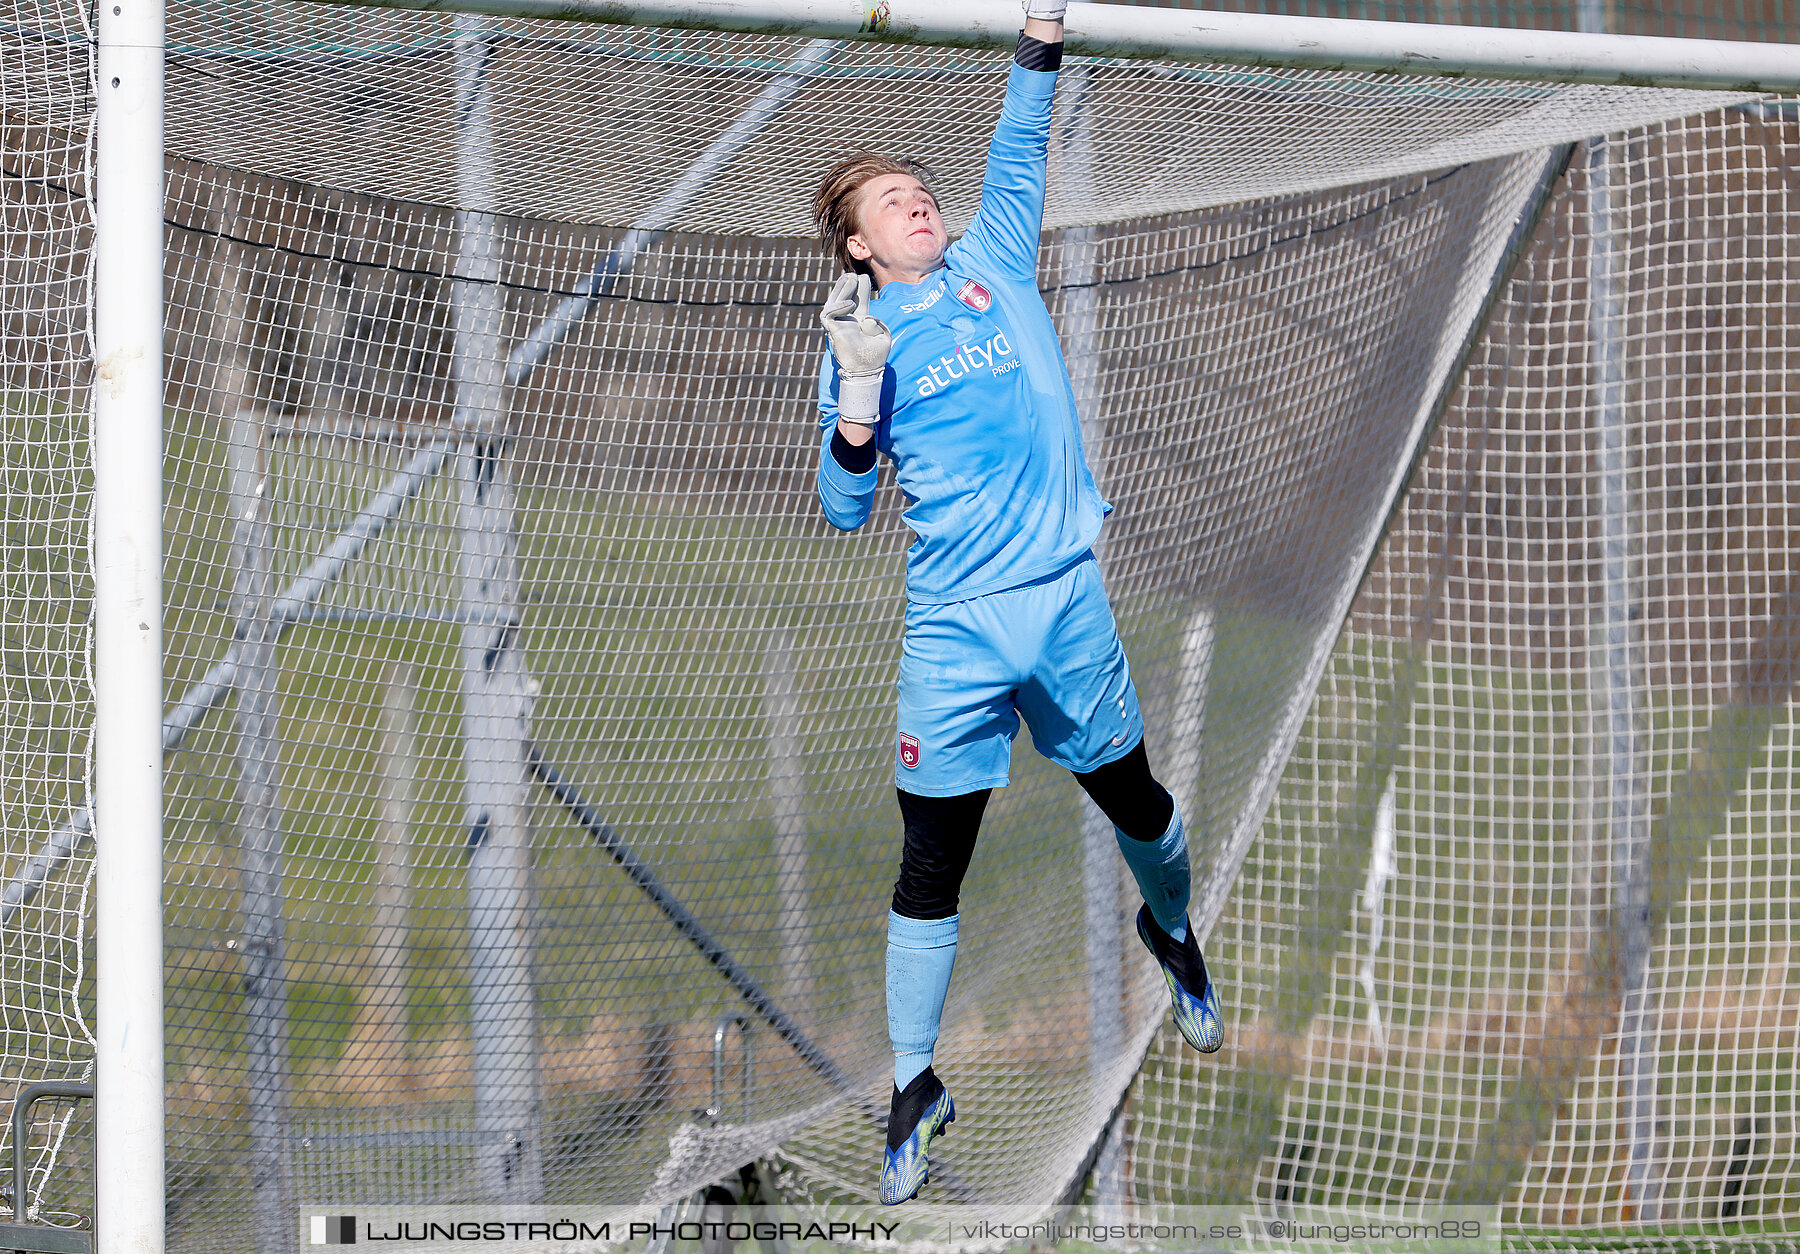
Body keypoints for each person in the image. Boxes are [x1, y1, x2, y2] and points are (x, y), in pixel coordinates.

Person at [810, 0, 1223, 1207]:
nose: (916, 202)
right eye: (890, 202)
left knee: (1136, 802)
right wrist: (856, 401)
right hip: (955, 625)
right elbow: (841, 511)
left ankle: (1175, 934)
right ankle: (913, 1083)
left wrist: (1041, 29)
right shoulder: (858, 338)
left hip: (1063, 602)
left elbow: (1021, 138)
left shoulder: (993, 259)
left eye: (918, 189)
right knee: (932, 859)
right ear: (857, 247)